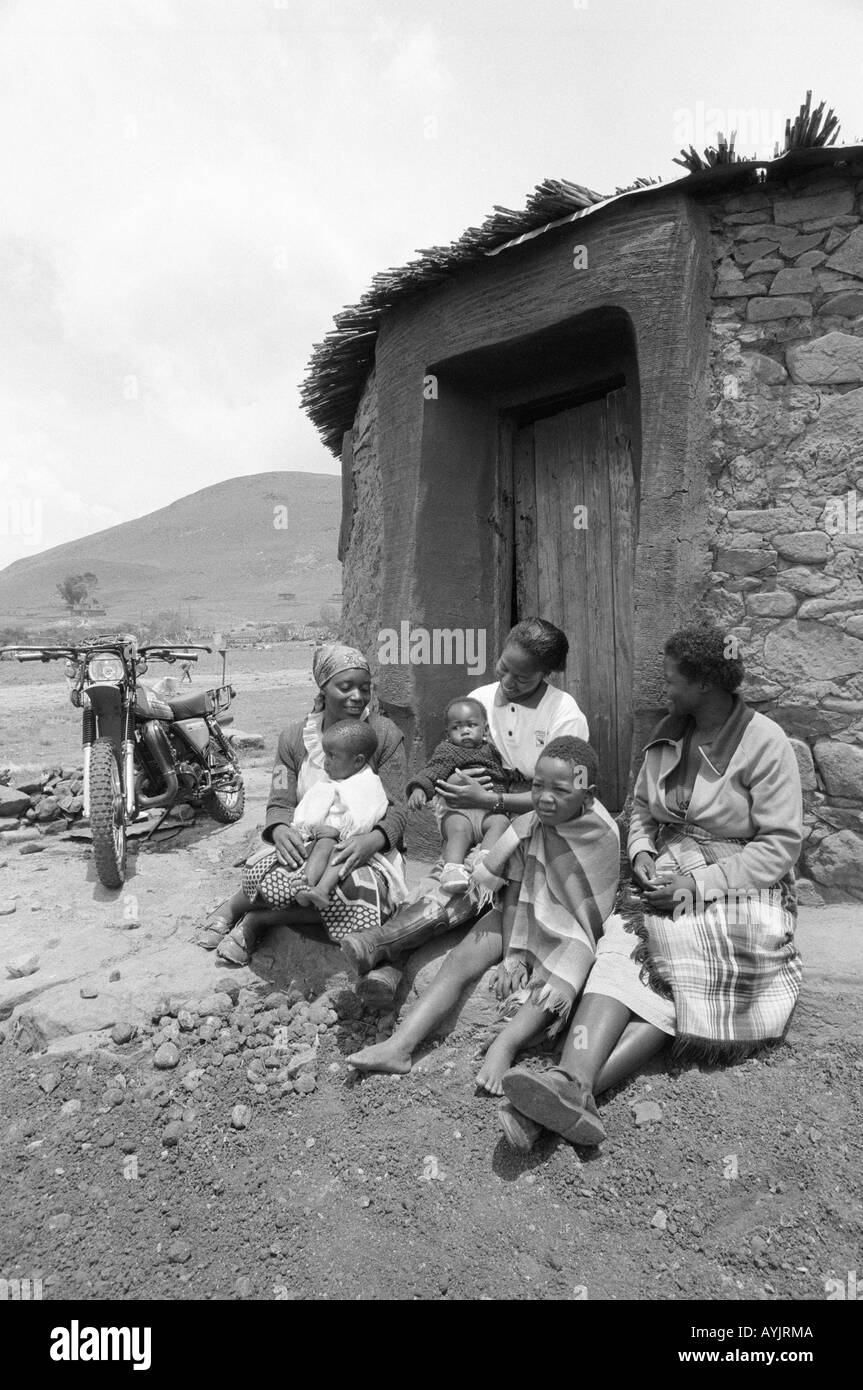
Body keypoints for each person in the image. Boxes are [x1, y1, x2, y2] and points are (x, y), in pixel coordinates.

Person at [499, 623, 804, 1150]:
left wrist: (698, 883)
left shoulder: (764, 743)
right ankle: (572, 1087)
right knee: (620, 947)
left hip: (741, 882)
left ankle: (566, 1090)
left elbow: (778, 847)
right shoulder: (668, 734)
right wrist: (641, 851)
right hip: (665, 871)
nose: (664, 690)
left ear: (705, 684)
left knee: (676, 968)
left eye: (672, 680)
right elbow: (640, 810)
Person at [347, 737, 620, 1097]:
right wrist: (511, 956)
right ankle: (401, 1045)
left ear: (588, 794)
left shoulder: (601, 834)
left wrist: (534, 945)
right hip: (522, 907)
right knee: (462, 958)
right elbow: (513, 886)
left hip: (571, 929)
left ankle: (504, 1045)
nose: (545, 798)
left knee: (567, 971)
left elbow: (587, 913)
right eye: (538, 786)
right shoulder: (528, 825)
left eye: (561, 790)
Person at [340, 618, 589, 1000]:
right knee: (450, 872)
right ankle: (387, 957)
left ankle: (385, 953)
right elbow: (452, 764)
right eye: (503, 667)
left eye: (521, 678)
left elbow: (562, 797)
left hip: (535, 819)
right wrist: (453, 797)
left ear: (546, 674)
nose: (507, 681)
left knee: (477, 877)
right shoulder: (480, 701)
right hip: (474, 817)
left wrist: (490, 800)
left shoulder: (564, 714)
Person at [196, 643, 408, 964]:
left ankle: (259, 920)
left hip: (367, 849)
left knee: (356, 894)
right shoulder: (293, 739)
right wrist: (280, 830)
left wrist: (371, 840)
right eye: (345, 687)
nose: (357, 696)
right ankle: (234, 906)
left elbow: (398, 806)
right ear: (323, 688)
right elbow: (279, 800)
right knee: (272, 873)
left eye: (365, 688)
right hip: (307, 841)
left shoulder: (384, 735)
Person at [406, 697, 513, 896]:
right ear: (448, 733)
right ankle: (452, 870)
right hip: (459, 811)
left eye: (471, 725)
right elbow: (432, 772)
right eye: (457, 727)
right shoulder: (447, 751)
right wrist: (419, 789)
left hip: (488, 811)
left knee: (501, 822)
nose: (465, 731)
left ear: (486, 729)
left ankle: (486, 861)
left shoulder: (493, 751)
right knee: (457, 830)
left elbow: (505, 772)